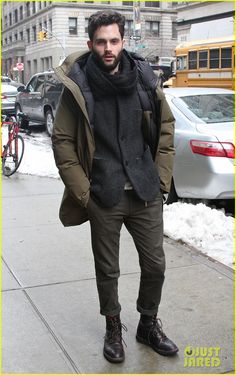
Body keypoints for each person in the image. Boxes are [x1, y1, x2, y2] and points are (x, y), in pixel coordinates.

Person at [52, 10, 178, 364]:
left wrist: (161, 181)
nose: (108, 48)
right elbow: (62, 141)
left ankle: (148, 324)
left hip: (144, 191)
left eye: (114, 41)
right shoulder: (79, 86)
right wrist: (84, 194)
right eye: (101, 42)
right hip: (103, 194)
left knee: (156, 265)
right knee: (108, 270)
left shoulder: (143, 79)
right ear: (90, 43)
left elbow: (166, 132)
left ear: (123, 41)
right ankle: (112, 326)